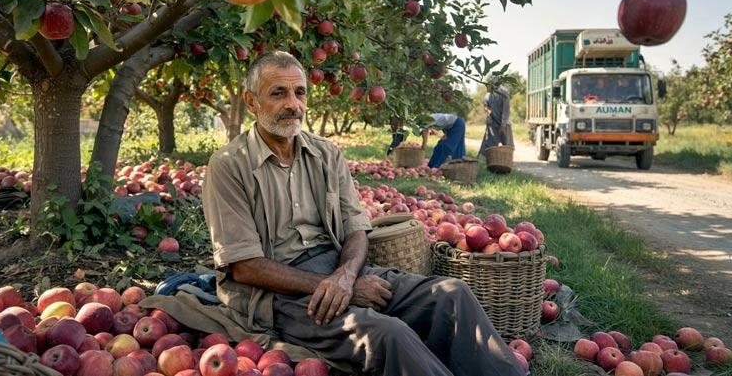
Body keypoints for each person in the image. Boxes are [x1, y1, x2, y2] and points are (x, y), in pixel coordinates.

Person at [202, 51, 524, 376]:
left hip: (337, 269)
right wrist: (334, 286)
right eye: (278, 93)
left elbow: (356, 229)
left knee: (452, 295)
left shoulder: (326, 154)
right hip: (274, 293)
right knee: (388, 335)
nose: (293, 104)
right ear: (252, 101)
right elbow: (245, 267)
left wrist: (345, 276)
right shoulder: (229, 165)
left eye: (299, 92)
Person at [479, 85, 514, 157]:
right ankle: (490, 159)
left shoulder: (504, 93)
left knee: (506, 144)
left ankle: (504, 160)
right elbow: (485, 105)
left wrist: (503, 125)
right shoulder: (489, 94)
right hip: (492, 122)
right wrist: (489, 111)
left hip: (502, 122)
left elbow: (506, 110)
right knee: (491, 143)